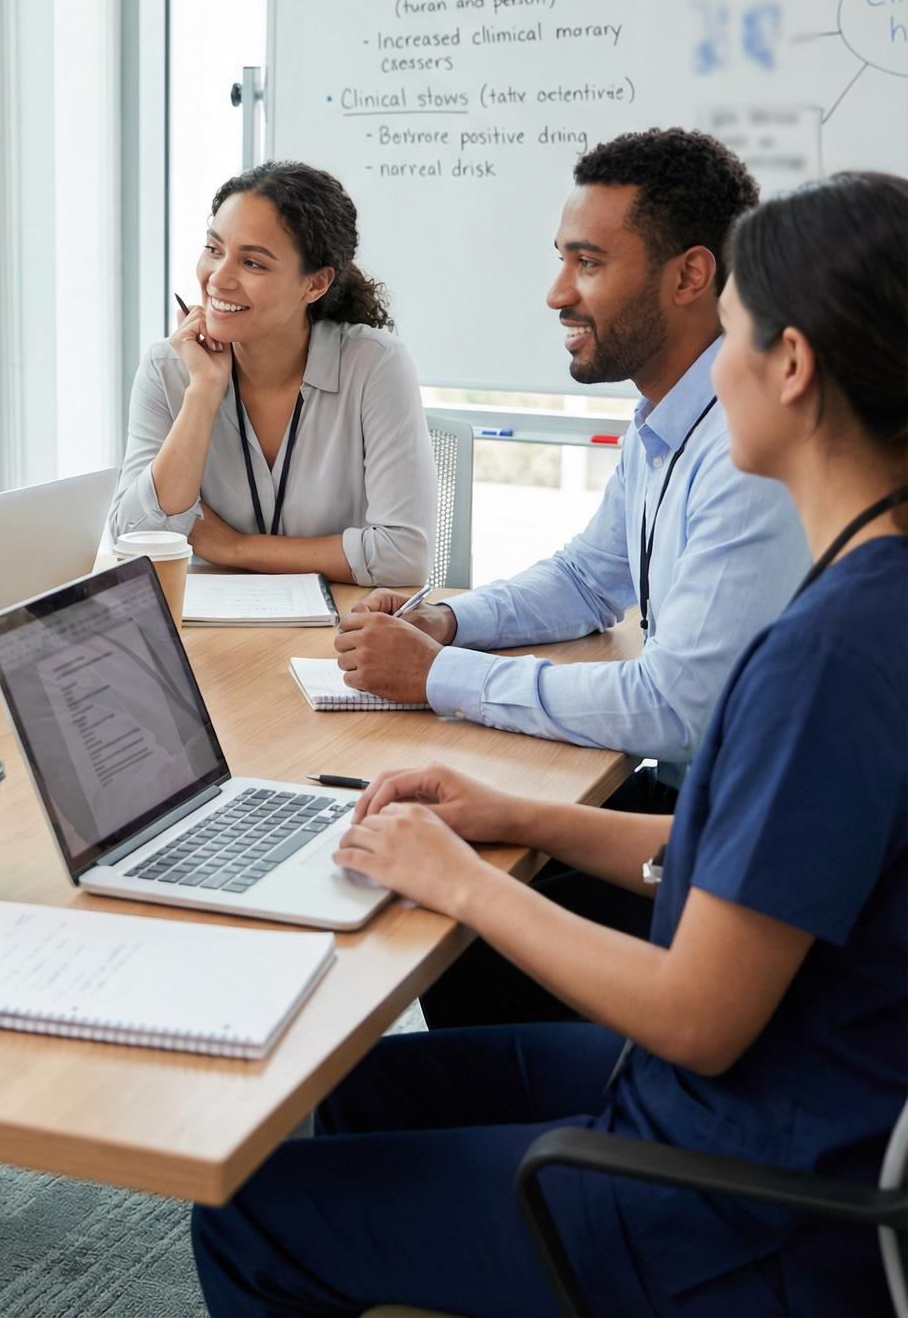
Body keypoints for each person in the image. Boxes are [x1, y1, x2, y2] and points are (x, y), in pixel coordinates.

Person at [192, 169, 908, 1318]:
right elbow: (751, 851)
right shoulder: (870, 592)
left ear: (791, 367)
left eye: (728, 335)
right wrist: (522, 817)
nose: (712, 376)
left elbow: (696, 1015)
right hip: (795, 1086)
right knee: (350, 1088)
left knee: (247, 1211)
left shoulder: (828, 654)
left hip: (743, 1196)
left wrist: (463, 881)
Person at [333, 128, 810, 1029]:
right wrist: (448, 626)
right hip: (692, 817)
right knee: (442, 859)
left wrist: (437, 679)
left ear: (690, 274)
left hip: (712, 840)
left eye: (587, 263)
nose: (558, 292)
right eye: (562, 259)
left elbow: (678, 709)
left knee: (446, 917)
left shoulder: (746, 451)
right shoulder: (667, 417)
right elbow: (592, 577)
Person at [110, 161, 435, 586]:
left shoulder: (373, 364)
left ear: (315, 285)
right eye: (214, 249)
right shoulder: (168, 370)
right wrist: (203, 393)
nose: (218, 279)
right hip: (209, 634)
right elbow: (134, 541)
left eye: (253, 264)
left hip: (336, 629)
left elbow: (403, 556)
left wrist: (231, 547)